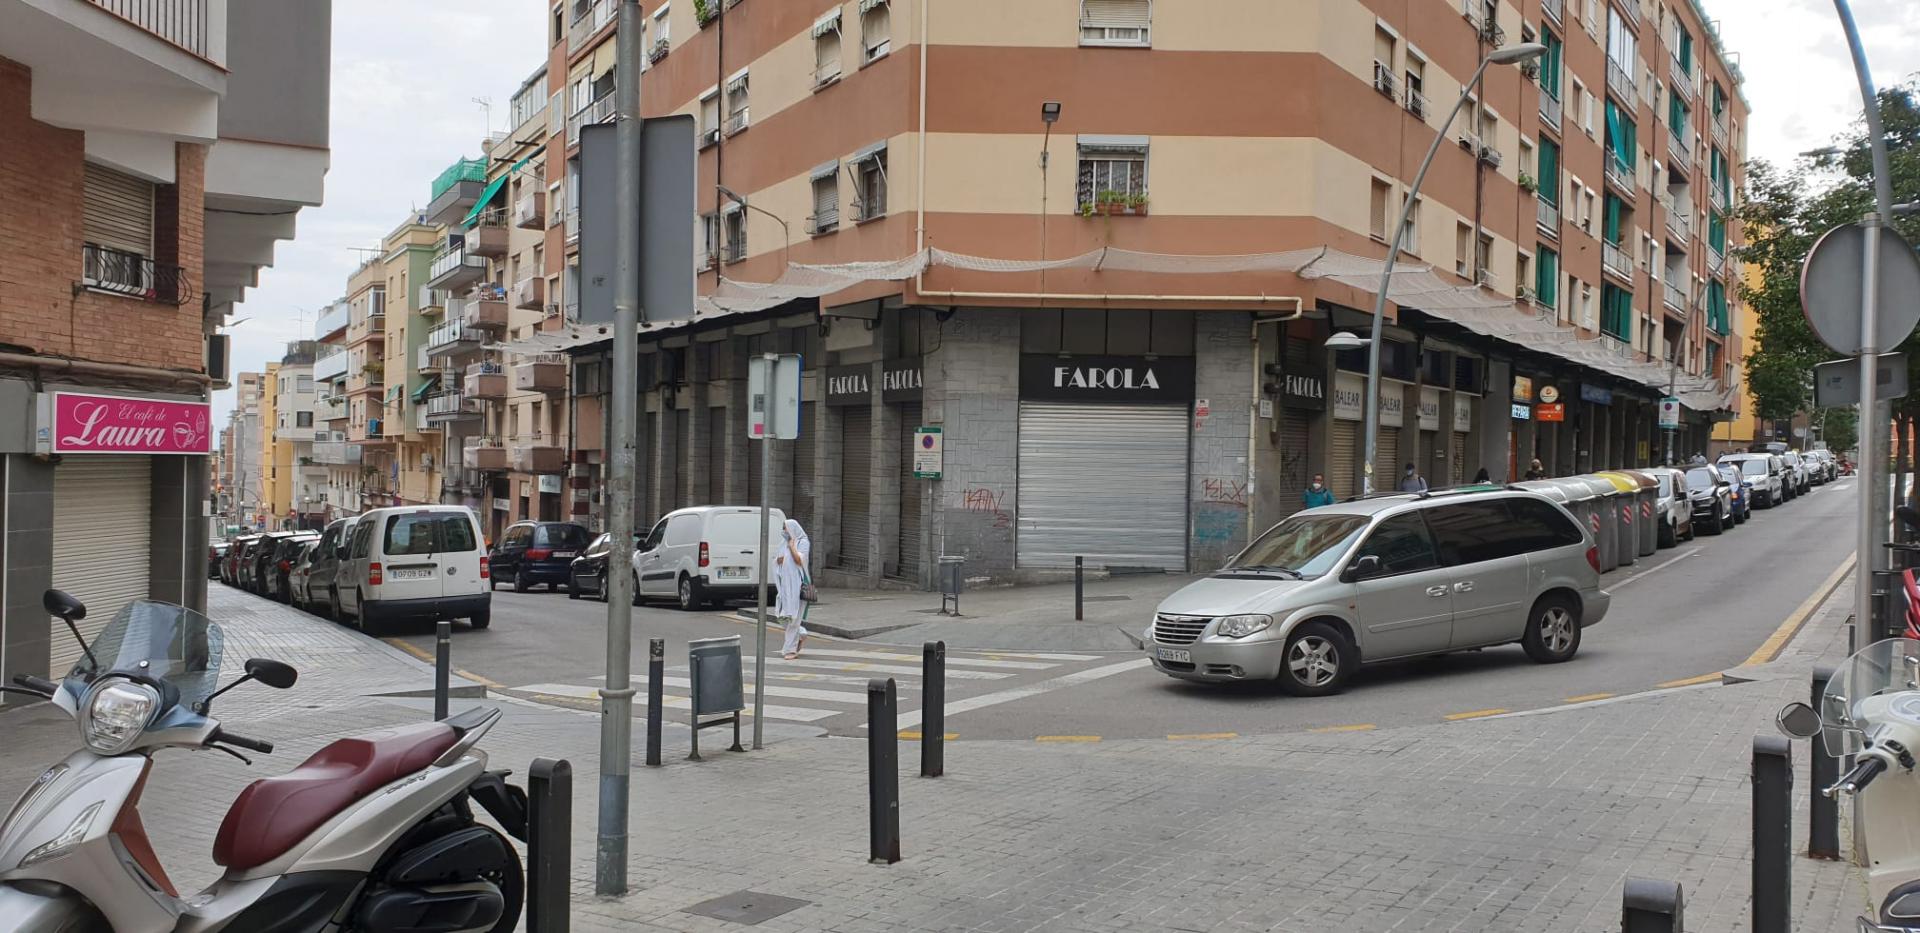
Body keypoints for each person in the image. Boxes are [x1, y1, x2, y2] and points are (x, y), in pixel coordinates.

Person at [774, 518, 812, 659]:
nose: (784, 530)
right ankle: (801, 633)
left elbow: (799, 560)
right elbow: (779, 560)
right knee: (781, 616)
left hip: (799, 585)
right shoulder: (783, 543)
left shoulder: (803, 542)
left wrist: (791, 547)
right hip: (785, 586)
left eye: (785, 528)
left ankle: (790, 649)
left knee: (794, 619)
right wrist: (780, 559)